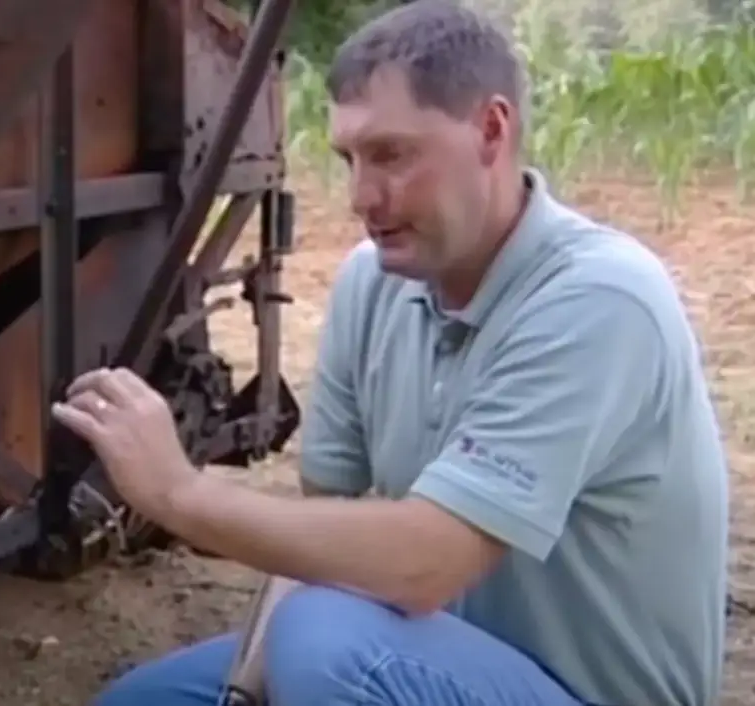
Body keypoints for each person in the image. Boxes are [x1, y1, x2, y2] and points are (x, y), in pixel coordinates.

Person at [51, 1, 729, 704]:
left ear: (491, 131)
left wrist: (181, 493)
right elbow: (317, 536)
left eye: (392, 155)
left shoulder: (597, 299)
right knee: (146, 701)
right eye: (349, 158)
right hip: (433, 658)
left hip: (582, 692)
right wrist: (243, 695)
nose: (360, 197)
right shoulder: (370, 284)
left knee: (329, 645)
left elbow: (426, 566)